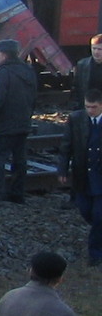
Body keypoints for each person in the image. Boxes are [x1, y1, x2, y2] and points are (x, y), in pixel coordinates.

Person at [0, 38, 38, 206]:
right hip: (23, 122)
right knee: (20, 160)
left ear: (4, 54)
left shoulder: (3, 73)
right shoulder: (28, 71)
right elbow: (34, 97)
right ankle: (17, 194)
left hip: (5, 124)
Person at [56, 88, 102, 268]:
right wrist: (62, 169)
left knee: (99, 216)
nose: (90, 110)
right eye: (87, 107)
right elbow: (66, 146)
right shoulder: (76, 119)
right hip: (83, 177)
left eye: (94, 107)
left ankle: (95, 254)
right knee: (85, 211)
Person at [69, 33, 102, 109]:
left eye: (100, 49)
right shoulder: (82, 65)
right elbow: (76, 87)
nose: (96, 52)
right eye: (94, 48)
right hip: (87, 107)